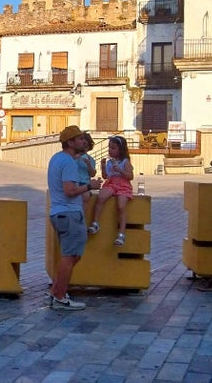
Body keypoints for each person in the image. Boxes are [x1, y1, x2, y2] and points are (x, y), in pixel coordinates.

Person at [46, 125, 101, 311]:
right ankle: (60, 297)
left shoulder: (57, 158)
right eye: (79, 139)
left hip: (59, 213)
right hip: (69, 213)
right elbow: (70, 191)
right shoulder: (68, 162)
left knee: (73, 255)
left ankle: (56, 291)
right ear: (70, 142)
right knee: (70, 257)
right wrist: (89, 186)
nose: (83, 141)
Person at [91, 135, 134, 246]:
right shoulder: (110, 162)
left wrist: (120, 169)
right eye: (109, 147)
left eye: (113, 148)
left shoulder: (125, 162)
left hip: (123, 185)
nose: (110, 150)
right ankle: (95, 222)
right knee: (101, 197)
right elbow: (106, 176)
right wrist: (103, 167)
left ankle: (121, 234)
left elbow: (130, 176)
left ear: (121, 150)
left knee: (121, 206)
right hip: (111, 183)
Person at [77, 133, 97, 221]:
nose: (84, 148)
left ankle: (82, 217)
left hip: (85, 183)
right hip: (74, 182)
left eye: (86, 146)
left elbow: (92, 174)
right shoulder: (73, 157)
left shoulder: (90, 159)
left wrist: (89, 164)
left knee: (85, 196)